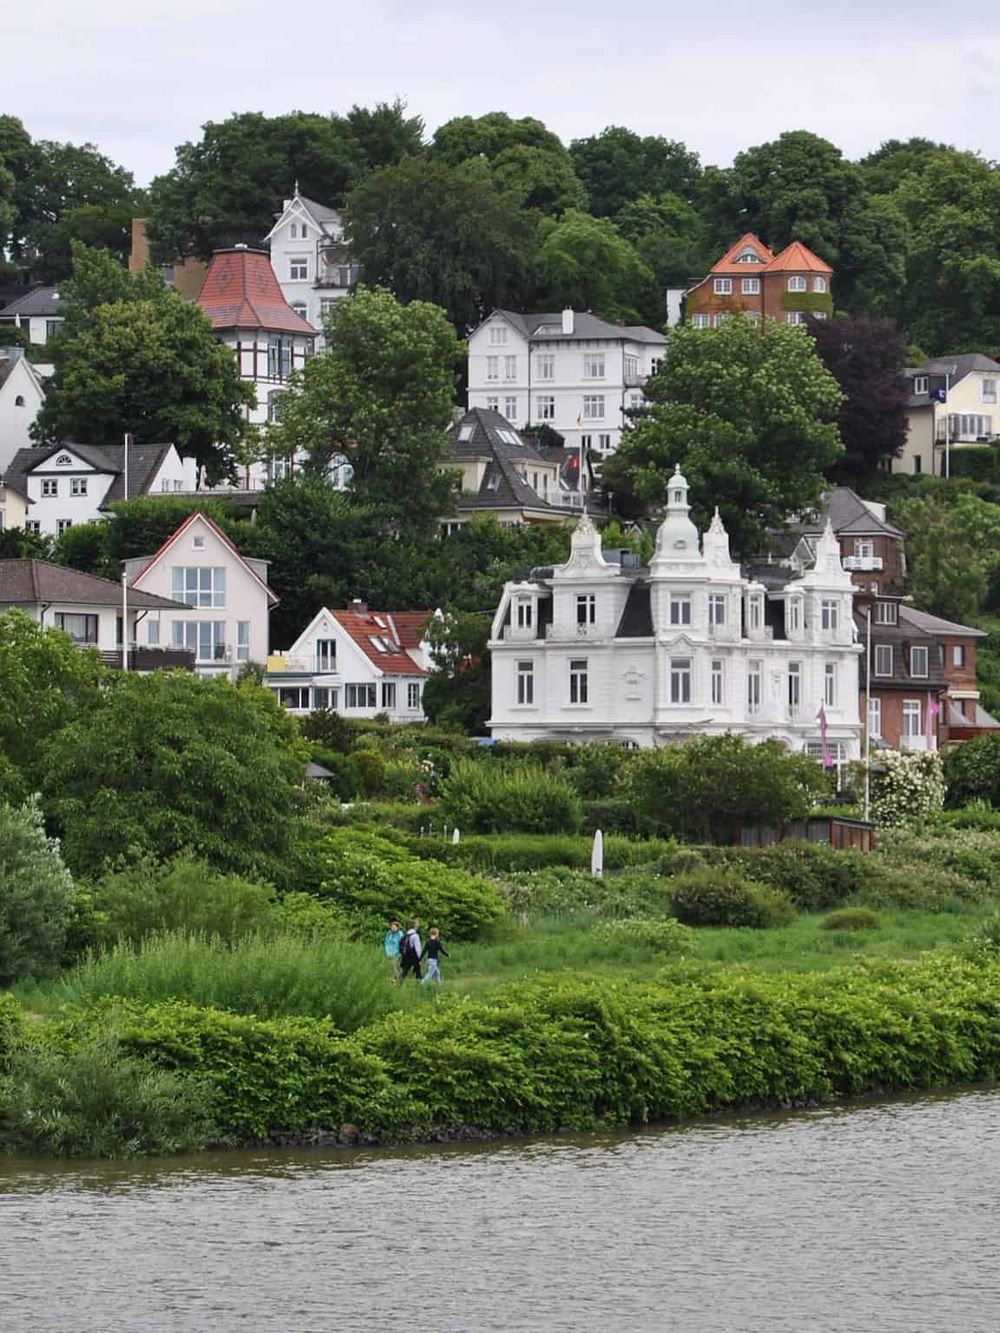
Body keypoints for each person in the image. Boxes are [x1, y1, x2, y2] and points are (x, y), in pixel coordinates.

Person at [383, 919, 404, 983]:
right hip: (390, 953)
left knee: (393, 965)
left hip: (397, 953)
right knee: (392, 967)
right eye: (392, 927)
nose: (392, 928)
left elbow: (402, 943)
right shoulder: (389, 933)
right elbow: (386, 942)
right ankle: (394, 979)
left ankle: (397, 980)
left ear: (397, 928)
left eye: (394, 927)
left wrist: (401, 952)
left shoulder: (400, 934)